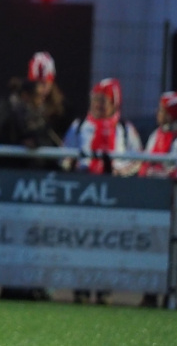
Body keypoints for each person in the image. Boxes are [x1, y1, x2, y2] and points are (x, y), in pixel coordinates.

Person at [64, 78, 141, 305]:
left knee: (108, 240)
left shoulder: (124, 128)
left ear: (114, 103)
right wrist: (72, 164)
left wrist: (119, 171)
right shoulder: (80, 125)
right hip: (84, 189)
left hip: (113, 191)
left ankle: (104, 287)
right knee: (81, 239)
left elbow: (137, 158)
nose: (97, 104)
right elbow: (65, 153)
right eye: (95, 99)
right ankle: (81, 286)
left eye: (103, 100)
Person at [139, 90, 177, 308]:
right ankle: (149, 293)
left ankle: (170, 294)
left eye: (162, 111)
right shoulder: (156, 135)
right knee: (151, 248)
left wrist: (157, 174)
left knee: (173, 249)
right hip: (154, 203)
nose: (158, 114)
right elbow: (145, 165)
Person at [27, 52, 69, 139]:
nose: (39, 89)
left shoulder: (63, 110)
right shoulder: (22, 106)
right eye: (36, 83)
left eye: (44, 83)